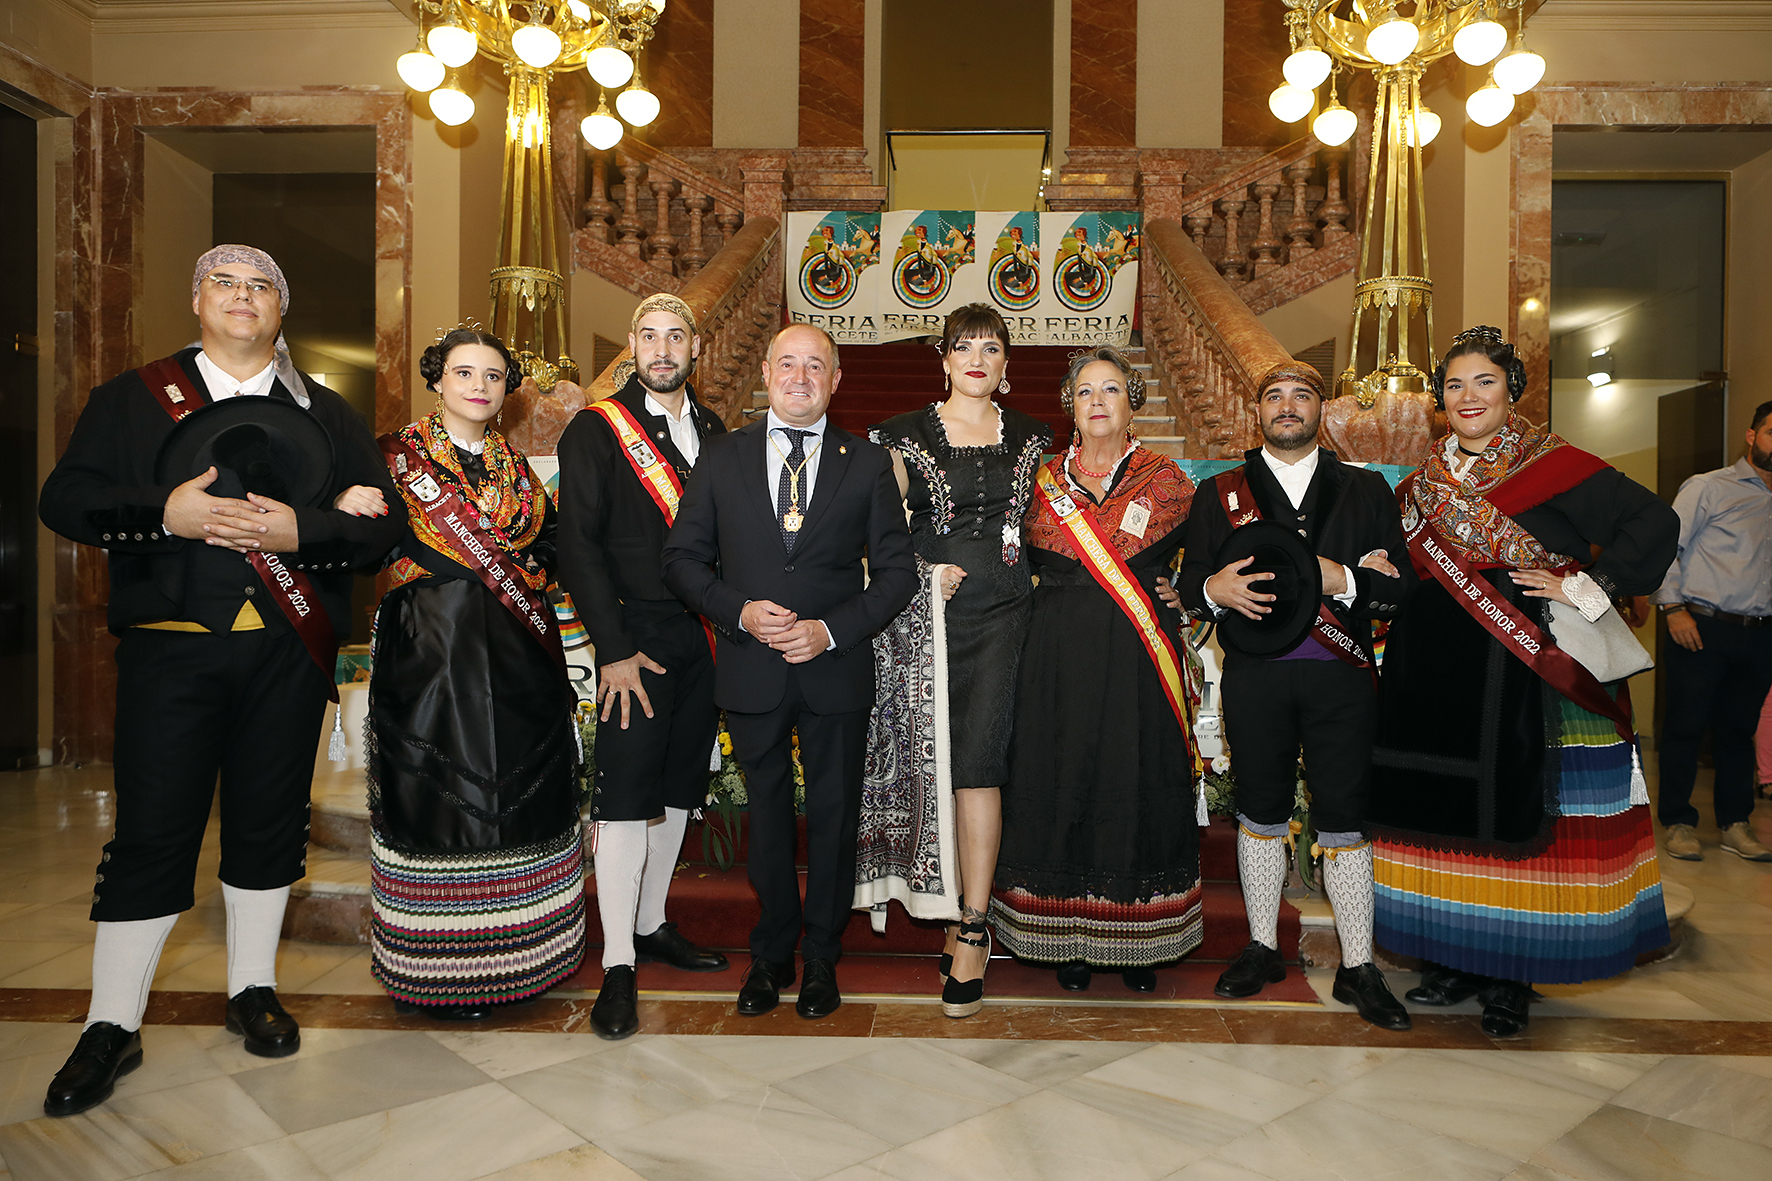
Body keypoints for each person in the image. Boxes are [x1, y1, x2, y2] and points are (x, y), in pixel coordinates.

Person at [37, 244, 403, 1116]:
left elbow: (381, 537)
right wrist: (164, 513)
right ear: (197, 298)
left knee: (269, 824)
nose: (245, 297)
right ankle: (110, 1023)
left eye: (263, 286)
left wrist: (300, 530)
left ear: (283, 309)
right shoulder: (131, 398)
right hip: (171, 651)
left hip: (286, 657)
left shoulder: (329, 413)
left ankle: (252, 987)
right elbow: (65, 500)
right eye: (226, 283)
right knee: (152, 833)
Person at [1367, 326, 1679, 1037]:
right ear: (1439, 400)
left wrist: (1588, 585)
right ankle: (1455, 960)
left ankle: (1511, 974)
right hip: (1436, 673)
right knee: (1447, 817)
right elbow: (1404, 563)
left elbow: (1652, 521)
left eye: (1483, 381)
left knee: (1520, 817)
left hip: (1526, 669)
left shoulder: (1556, 466)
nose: (1468, 396)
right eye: (1454, 384)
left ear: (1512, 390)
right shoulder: (1421, 484)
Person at [662, 324, 917, 1020]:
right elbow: (683, 561)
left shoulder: (865, 463)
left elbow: (897, 575)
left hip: (834, 670)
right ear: (766, 372)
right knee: (768, 818)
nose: (800, 376)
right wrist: (737, 612)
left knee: (835, 817)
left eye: (816, 366)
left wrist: (831, 631)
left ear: (836, 381)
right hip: (751, 668)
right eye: (788, 363)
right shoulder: (721, 457)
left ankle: (823, 959)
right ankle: (772, 954)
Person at [1177, 358, 1413, 1031]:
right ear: (1258, 412)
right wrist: (1209, 589)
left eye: (1301, 395)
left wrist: (1343, 577)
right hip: (1257, 678)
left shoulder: (1367, 491)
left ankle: (1359, 964)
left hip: (1342, 680)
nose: (1287, 406)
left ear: (1322, 411)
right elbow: (1190, 579)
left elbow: (1399, 591)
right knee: (1259, 809)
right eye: (1274, 396)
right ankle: (1261, 947)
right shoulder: (1220, 489)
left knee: (1345, 816)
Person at [362, 327, 587, 1020]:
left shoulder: (515, 467)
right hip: (428, 648)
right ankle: (436, 971)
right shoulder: (394, 459)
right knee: (436, 796)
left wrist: (529, 576)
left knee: (519, 793)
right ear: (438, 378)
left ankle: (527, 956)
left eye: (493, 375)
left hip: (518, 654)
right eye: (465, 372)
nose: (480, 386)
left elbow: (549, 539)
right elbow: (368, 541)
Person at [864, 303, 1052, 1018]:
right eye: (963, 346)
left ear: (1007, 365)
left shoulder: (1035, 438)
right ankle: (950, 911)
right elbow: (874, 534)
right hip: (927, 622)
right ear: (942, 359)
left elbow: (1057, 528)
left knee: (979, 763)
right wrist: (921, 570)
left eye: (992, 347)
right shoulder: (903, 436)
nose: (977, 357)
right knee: (933, 766)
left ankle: (974, 927)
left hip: (1008, 617)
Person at [993, 348, 1201, 993]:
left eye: (1112, 389)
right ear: (1070, 405)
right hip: (1054, 657)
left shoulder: (1168, 480)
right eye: (1086, 391)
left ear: (1133, 400)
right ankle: (1067, 939)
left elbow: (1199, 560)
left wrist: (1187, 592)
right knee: (1061, 778)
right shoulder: (1037, 481)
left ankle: (1142, 941)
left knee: (1135, 775)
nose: (1099, 401)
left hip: (1138, 657)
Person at [556, 294, 731, 1041]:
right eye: (650, 337)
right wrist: (613, 647)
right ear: (632, 344)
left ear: (696, 346)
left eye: (676, 337)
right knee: (626, 796)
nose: (663, 349)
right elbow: (578, 548)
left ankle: (653, 923)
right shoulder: (596, 431)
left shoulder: (718, 431)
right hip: (635, 636)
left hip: (704, 637)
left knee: (681, 789)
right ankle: (619, 962)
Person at [1652, 400, 1772, 863]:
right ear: (1751, 435)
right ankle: (1679, 823)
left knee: (1738, 732)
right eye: (1770, 432)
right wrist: (1674, 609)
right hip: (1700, 626)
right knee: (1685, 726)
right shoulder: (1710, 487)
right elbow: (1666, 546)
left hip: (1760, 633)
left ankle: (1735, 824)